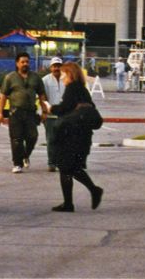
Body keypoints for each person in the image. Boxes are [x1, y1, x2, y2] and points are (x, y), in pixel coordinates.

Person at [49, 62, 104, 212]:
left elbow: (64, 109)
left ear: (70, 75)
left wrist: (51, 108)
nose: (62, 78)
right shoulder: (84, 90)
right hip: (84, 136)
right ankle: (93, 190)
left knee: (65, 168)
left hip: (71, 136)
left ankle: (70, 202)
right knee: (73, 168)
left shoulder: (71, 88)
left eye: (64, 74)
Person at [0, 52, 47, 173]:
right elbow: (3, 96)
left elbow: (41, 95)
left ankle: (25, 155)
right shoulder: (10, 77)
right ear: (17, 63)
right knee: (16, 139)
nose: (25, 64)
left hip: (30, 113)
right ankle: (17, 164)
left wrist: (44, 110)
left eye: (27, 62)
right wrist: (0, 113)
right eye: (22, 62)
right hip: (15, 112)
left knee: (33, 137)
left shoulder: (36, 77)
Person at [42, 57, 66, 172]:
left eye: (58, 66)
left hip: (64, 115)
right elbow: (42, 97)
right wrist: (45, 110)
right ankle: (51, 163)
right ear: (51, 67)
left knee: (63, 140)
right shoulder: (45, 80)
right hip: (50, 115)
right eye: (54, 66)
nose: (56, 68)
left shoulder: (67, 79)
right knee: (51, 139)